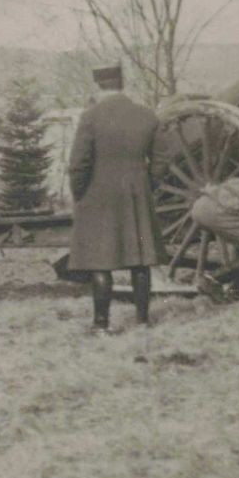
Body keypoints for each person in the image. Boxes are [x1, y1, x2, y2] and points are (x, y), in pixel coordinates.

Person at [66, 65, 163, 332]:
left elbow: (78, 164)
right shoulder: (147, 116)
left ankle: (101, 325)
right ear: (122, 83)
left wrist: (80, 194)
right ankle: (142, 321)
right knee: (141, 258)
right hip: (137, 197)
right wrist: (145, 187)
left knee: (100, 260)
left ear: (98, 86)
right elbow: (161, 163)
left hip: (99, 198)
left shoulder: (90, 117)